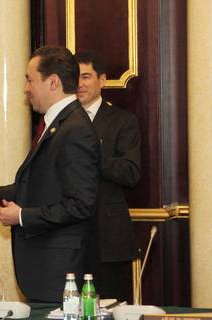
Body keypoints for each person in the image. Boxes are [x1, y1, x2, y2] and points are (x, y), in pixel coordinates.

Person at [0, 45, 101, 302]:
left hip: (60, 271)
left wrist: (21, 216)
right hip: (48, 270)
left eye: (30, 80)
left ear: (53, 82)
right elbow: (33, 185)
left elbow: (81, 204)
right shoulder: (58, 124)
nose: (26, 88)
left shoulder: (75, 129)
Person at [76, 51, 141, 301]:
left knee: (109, 307)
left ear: (102, 80)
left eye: (86, 77)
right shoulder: (59, 121)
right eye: (75, 78)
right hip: (67, 238)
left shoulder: (123, 121)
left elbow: (131, 172)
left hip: (107, 238)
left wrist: (91, 156)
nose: (79, 84)